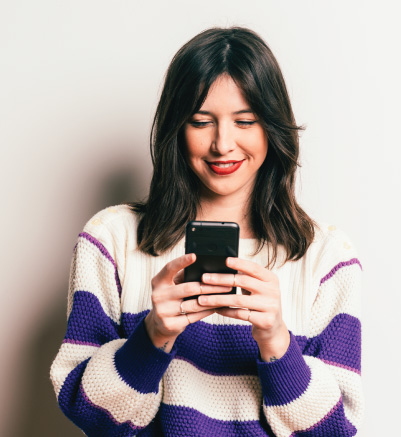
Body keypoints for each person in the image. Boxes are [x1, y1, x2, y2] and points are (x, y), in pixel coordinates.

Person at [50, 27, 364, 436]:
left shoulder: (326, 258)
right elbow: (85, 412)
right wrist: (153, 335)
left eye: (245, 121)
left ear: (272, 128)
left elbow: (337, 431)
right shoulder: (111, 239)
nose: (223, 144)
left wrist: (277, 343)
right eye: (201, 121)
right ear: (176, 129)